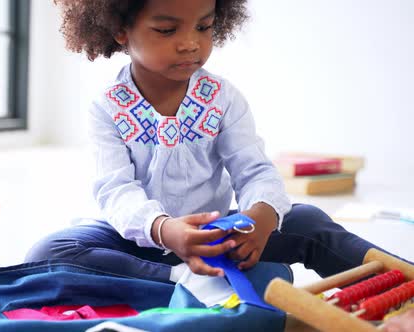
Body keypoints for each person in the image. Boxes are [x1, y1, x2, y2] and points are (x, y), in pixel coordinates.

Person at [26, 0, 408, 288]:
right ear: (121, 29)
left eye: (204, 27)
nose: (191, 44)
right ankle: (186, 282)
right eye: (166, 30)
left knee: (307, 220)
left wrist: (260, 217)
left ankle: (403, 283)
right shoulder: (107, 107)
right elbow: (116, 190)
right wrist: (164, 229)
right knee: (50, 252)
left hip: (218, 236)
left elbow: (254, 169)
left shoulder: (222, 97)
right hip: (138, 239)